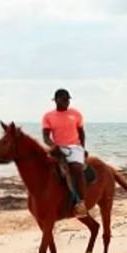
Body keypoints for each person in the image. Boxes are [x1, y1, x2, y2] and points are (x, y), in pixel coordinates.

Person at [42, 89, 87, 217]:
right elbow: (45, 136)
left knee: (77, 169)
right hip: (58, 148)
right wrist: (53, 146)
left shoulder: (76, 114)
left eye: (68, 99)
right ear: (56, 100)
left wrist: (82, 148)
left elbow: (81, 132)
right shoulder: (48, 116)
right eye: (64, 99)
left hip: (74, 147)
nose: (67, 102)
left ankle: (81, 204)